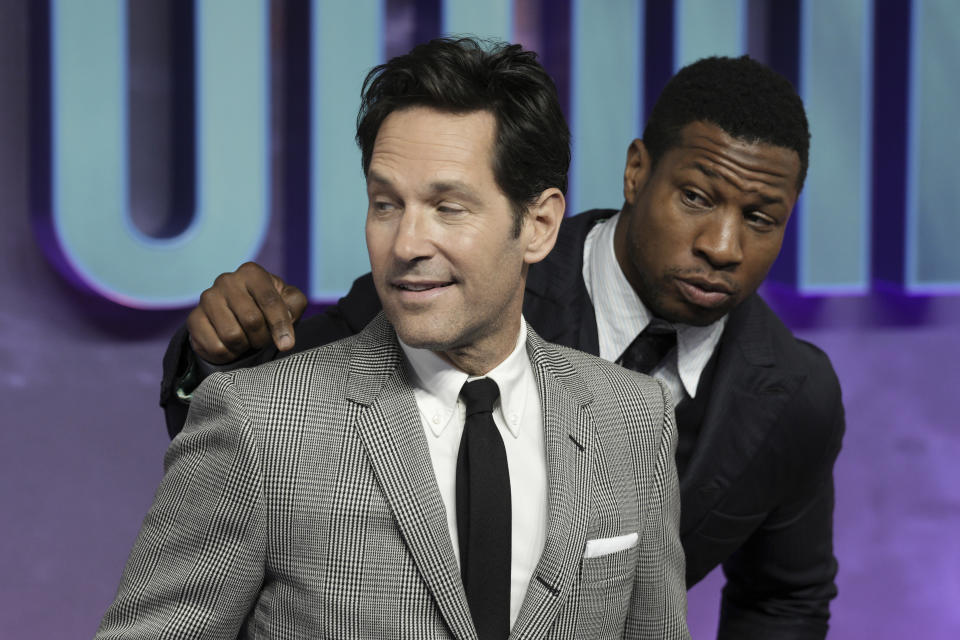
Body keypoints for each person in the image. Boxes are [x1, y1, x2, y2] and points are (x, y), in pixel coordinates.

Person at [161, 53, 845, 639]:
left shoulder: (794, 392)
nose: (722, 247)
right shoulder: (481, 267)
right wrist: (218, 355)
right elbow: (289, 410)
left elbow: (784, 593)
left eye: (760, 219)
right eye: (696, 197)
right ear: (637, 172)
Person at [101, 38, 689, 639]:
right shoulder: (256, 423)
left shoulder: (634, 418)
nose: (406, 244)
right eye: (386, 204)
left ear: (538, 226)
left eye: (447, 207)